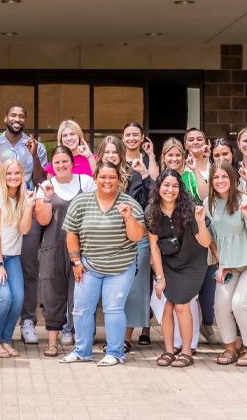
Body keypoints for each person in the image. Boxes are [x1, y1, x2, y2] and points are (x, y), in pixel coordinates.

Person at [60, 161, 146, 366]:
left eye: (112, 177)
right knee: (81, 309)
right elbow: (71, 233)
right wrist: (76, 261)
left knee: (113, 308)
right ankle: (82, 351)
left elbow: (137, 236)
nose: (107, 181)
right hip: (89, 265)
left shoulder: (129, 203)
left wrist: (128, 218)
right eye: (103, 177)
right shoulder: (81, 202)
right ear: (95, 178)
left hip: (120, 267)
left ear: (119, 180)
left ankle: (115, 353)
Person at [0, 104, 48, 344]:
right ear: (5, 118)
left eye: (22, 116)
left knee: (29, 268)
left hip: (26, 212)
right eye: (13, 115)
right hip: (1, 213)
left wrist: (33, 154)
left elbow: (41, 179)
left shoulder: (37, 147)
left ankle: (29, 321)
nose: (17, 119)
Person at [206, 161, 247, 367]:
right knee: (221, 305)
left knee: (240, 303)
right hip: (231, 264)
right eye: (216, 177)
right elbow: (213, 241)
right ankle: (231, 348)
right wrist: (222, 263)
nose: (220, 181)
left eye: (224, 176)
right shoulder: (207, 204)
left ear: (233, 179)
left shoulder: (244, 200)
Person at [36, 146, 96, 356]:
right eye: (57, 162)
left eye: (65, 162)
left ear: (72, 163)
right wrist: (47, 199)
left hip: (82, 247)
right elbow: (42, 220)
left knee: (81, 295)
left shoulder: (86, 182)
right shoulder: (45, 186)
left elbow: (94, 212)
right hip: (53, 247)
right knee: (52, 294)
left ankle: (82, 343)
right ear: (52, 165)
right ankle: (52, 342)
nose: (61, 166)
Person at [148, 169, 212, 368]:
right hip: (167, 263)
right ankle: (168, 351)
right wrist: (160, 278)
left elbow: (205, 242)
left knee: (181, 305)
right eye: (166, 185)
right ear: (159, 188)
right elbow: (154, 247)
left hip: (191, 263)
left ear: (180, 188)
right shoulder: (151, 211)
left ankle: (186, 351)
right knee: (168, 305)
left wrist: (201, 222)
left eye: (175, 185)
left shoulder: (190, 208)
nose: (170, 189)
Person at [98, 135, 153, 350]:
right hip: (107, 241)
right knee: (112, 292)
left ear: (121, 155)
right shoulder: (99, 176)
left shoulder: (134, 175)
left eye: (115, 152)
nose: (111, 155)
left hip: (135, 238)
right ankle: (114, 336)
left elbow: (151, 197)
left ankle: (125, 338)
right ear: (101, 154)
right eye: (107, 152)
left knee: (132, 289)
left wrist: (145, 172)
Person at [0, 160, 35, 358]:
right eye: (9, 173)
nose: (13, 177)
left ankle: (6, 339)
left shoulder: (22, 197)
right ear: (3, 175)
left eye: (17, 173)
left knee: (18, 299)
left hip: (12, 255)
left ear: (22, 175)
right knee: (4, 297)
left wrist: (28, 206)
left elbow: (24, 230)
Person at [161, 137, 208, 202]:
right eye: (170, 155)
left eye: (178, 155)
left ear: (183, 157)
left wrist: (195, 169)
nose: (174, 159)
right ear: (163, 158)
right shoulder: (160, 179)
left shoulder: (190, 177)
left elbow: (205, 198)